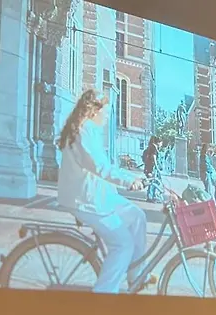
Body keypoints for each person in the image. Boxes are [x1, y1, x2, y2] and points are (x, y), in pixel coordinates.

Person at [57, 89, 148, 294]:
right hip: (86, 200)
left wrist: (134, 177)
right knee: (122, 245)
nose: (107, 117)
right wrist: (128, 182)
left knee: (137, 216)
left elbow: (106, 166)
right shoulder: (82, 132)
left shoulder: (89, 130)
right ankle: (104, 294)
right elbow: (98, 167)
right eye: (105, 112)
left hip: (100, 197)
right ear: (94, 111)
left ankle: (136, 276)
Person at [142, 136, 164, 202]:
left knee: (153, 182)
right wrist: (157, 167)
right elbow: (154, 157)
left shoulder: (151, 147)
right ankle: (150, 197)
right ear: (158, 142)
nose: (161, 144)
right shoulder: (154, 148)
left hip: (149, 167)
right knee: (152, 182)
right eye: (161, 143)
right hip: (151, 168)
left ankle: (152, 196)